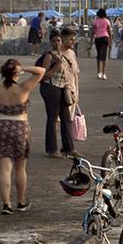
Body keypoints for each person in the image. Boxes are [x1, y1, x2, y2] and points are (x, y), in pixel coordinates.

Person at [0, 59, 43, 214]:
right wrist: (23, 69)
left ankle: (6, 204)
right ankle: (21, 201)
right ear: (17, 73)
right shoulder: (23, 88)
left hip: (1, 126)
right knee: (20, 167)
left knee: (5, 168)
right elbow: (40, 71)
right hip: (20, 126)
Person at [36, 28, 81, 158]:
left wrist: (73, 90)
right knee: (53, 118)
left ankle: (68, 148)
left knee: (66, 118)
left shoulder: (64, 54)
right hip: (50, 87)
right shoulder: (50, 55)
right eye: (54, 41)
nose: (57, 43)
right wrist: (56, 68)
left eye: (58, 40)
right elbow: (43, 75)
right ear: (50, 42)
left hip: (62, 88)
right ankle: (52, 149)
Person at [90, 8, 112, 79]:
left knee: (99, 55)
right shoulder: (107, 21)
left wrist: (91, 42)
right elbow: (109, 32)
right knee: (104, 56)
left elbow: (92, 32)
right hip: (105, 38)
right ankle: (104, 73)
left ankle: (99, 72)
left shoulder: (95, 21)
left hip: (98, 38)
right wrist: (110, 41)